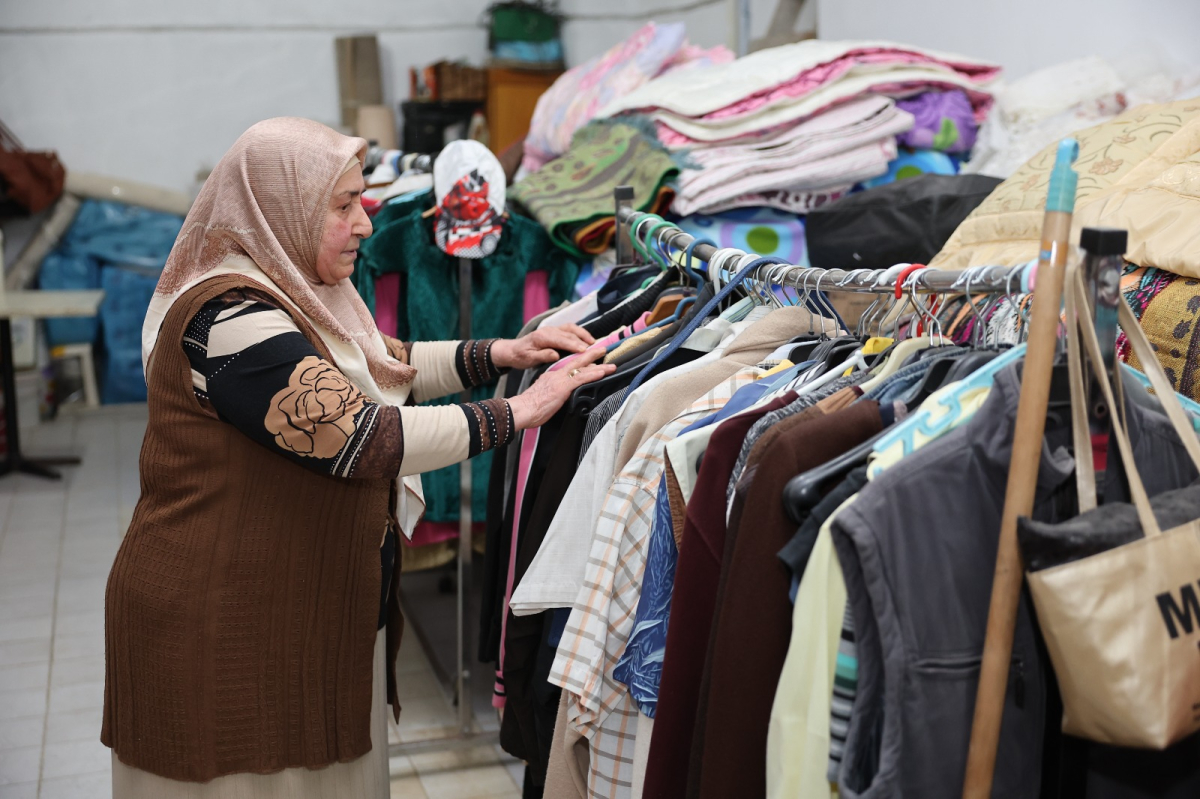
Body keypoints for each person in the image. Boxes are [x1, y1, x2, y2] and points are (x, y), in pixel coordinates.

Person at [102, 117, 614, 798]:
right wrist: (516, 411)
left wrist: (500, 354)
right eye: (342, 206)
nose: (366, 224)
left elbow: (378, 363)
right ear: (280, 207)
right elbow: (360, 434)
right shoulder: (228, 317)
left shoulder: (295, 289)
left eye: (362, 201)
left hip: (292, 604)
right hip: (221, 618)